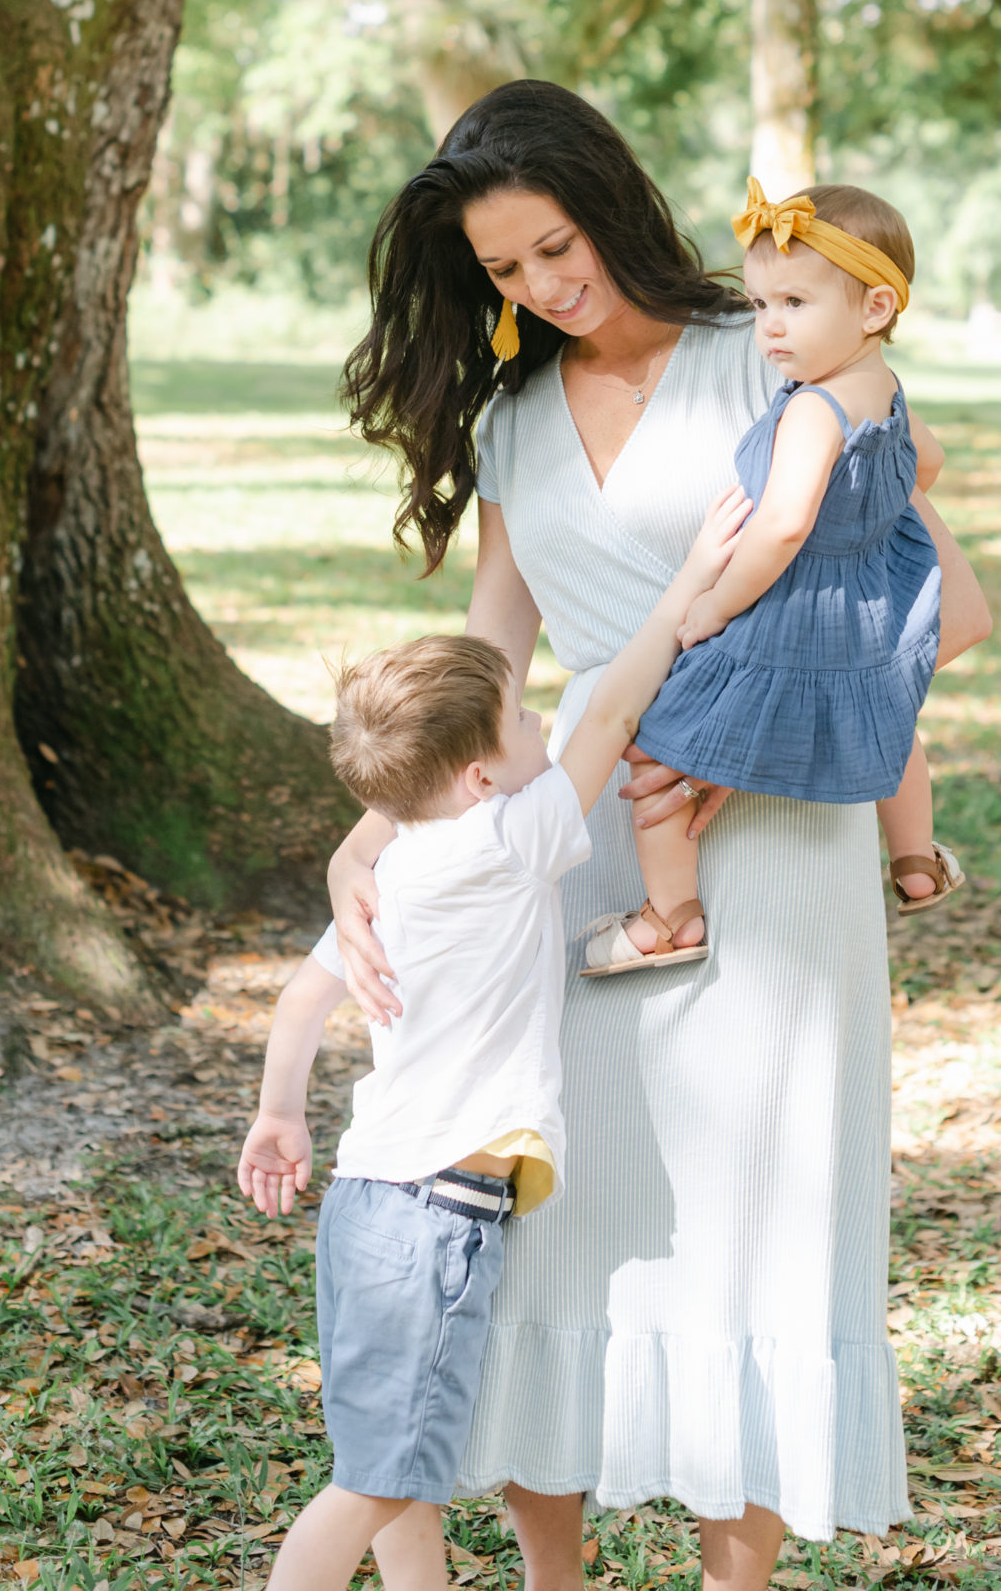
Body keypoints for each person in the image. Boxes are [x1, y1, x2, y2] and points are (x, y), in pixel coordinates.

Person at [339, 81, 992, 1574]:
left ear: (610, 206)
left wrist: (746, 745)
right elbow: (492, 656)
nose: (546, 290)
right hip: (581, 840)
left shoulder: (776, 351)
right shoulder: (511, 420)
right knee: (559, 1228)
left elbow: (938, 611)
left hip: (768, 842)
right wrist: (373, 831)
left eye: (558, 247)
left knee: (741, 1233)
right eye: (505, 273)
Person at [235, 488, 750, 1591]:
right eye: (521, 724)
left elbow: (296, 1003)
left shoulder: (390, 874)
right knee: (374, 1477)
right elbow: (609, 715)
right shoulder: (505, 844)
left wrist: (280, 1112)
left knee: (390, 1463)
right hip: (437, 1211)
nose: (536, 734)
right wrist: (684, 584)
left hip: (365, 1195)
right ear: (477, 776)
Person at [586, 175, 964, 978]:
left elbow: (783, 525)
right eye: (759, 305)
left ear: (874, 309)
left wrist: (713, 605)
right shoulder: (883, 390)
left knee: (654, 755)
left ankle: (669, 916)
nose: (768, 327)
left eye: (793, 303)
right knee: (890, 720)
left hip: (783, 613)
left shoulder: (810, 409)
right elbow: (926, 462)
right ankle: (916, 862)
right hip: (861, 611)